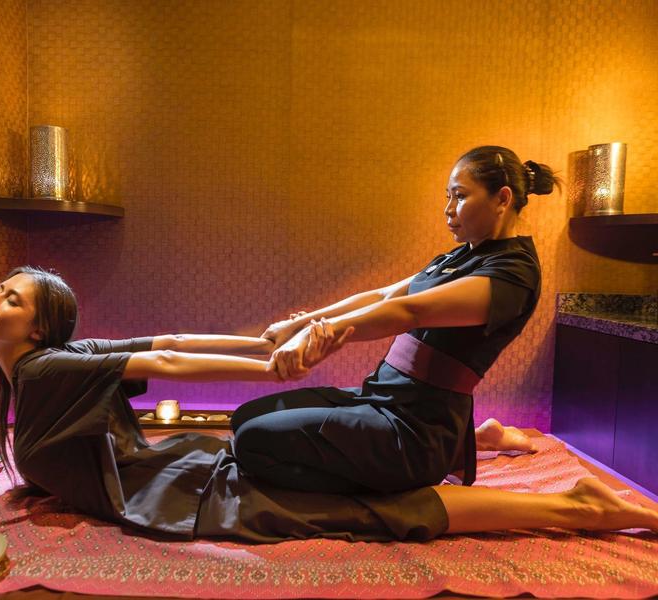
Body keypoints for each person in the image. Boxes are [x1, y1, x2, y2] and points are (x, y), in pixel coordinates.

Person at [0, 271, 657, 543]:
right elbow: (172, 345)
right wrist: (268, 352)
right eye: (1, 291)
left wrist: (267, 356)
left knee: (361, 510)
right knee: (328, 460)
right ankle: (476, 439)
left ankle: (578, 508)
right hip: (176, 469)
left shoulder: (47, 369)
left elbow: (171, 355)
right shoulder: (45, 368)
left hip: (178, 488)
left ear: (37, 329)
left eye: (9, 297)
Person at [230, 145, 553, 496]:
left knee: (253, 443)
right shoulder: (463, 253)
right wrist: (302, 322)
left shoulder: (513, 273)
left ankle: (420, 473)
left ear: (502, 199)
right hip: (378, 399)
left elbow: (409, 311)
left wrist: (317, 335)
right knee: (245, 417)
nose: (447, 210)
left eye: (459, 197)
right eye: (447, 196)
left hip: (415, 429)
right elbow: (384, 296)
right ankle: (475, 440)